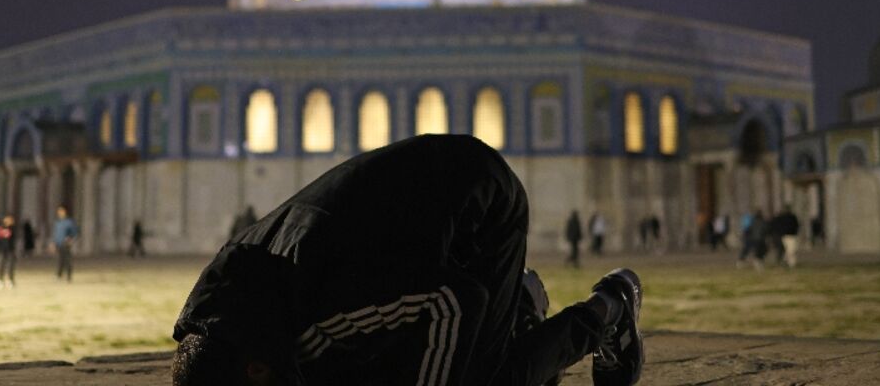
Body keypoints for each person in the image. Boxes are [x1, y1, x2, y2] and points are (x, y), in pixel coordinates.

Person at [171, 134, 644, 386]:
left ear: (254, 369)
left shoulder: (317, 307)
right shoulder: (237, 306)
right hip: (418, 222)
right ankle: (517, 310)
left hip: (477, 205)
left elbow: (456, 300)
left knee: (487, 380)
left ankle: (609, 309)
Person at [52, 206, 79, 281]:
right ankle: (59, 275)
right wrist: (54, 243)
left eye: (61, 211)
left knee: (67, 260)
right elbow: (56, 234)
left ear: (65, 212)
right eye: (59, 211)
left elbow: (74, 232)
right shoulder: (57, 222)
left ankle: (69, 276)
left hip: (65, 244)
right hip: (59, 243)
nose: (59, 213)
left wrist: (71, 239)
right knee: (60, 260)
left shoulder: (69, 222)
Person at [0, 215, 18, 288]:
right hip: (2, 250)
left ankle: (10, 280)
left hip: (10, 250)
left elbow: (12, 238)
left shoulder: (13, 229)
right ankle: (0, 280)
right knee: (1, 265)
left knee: (11, 266)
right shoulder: (1, 229)